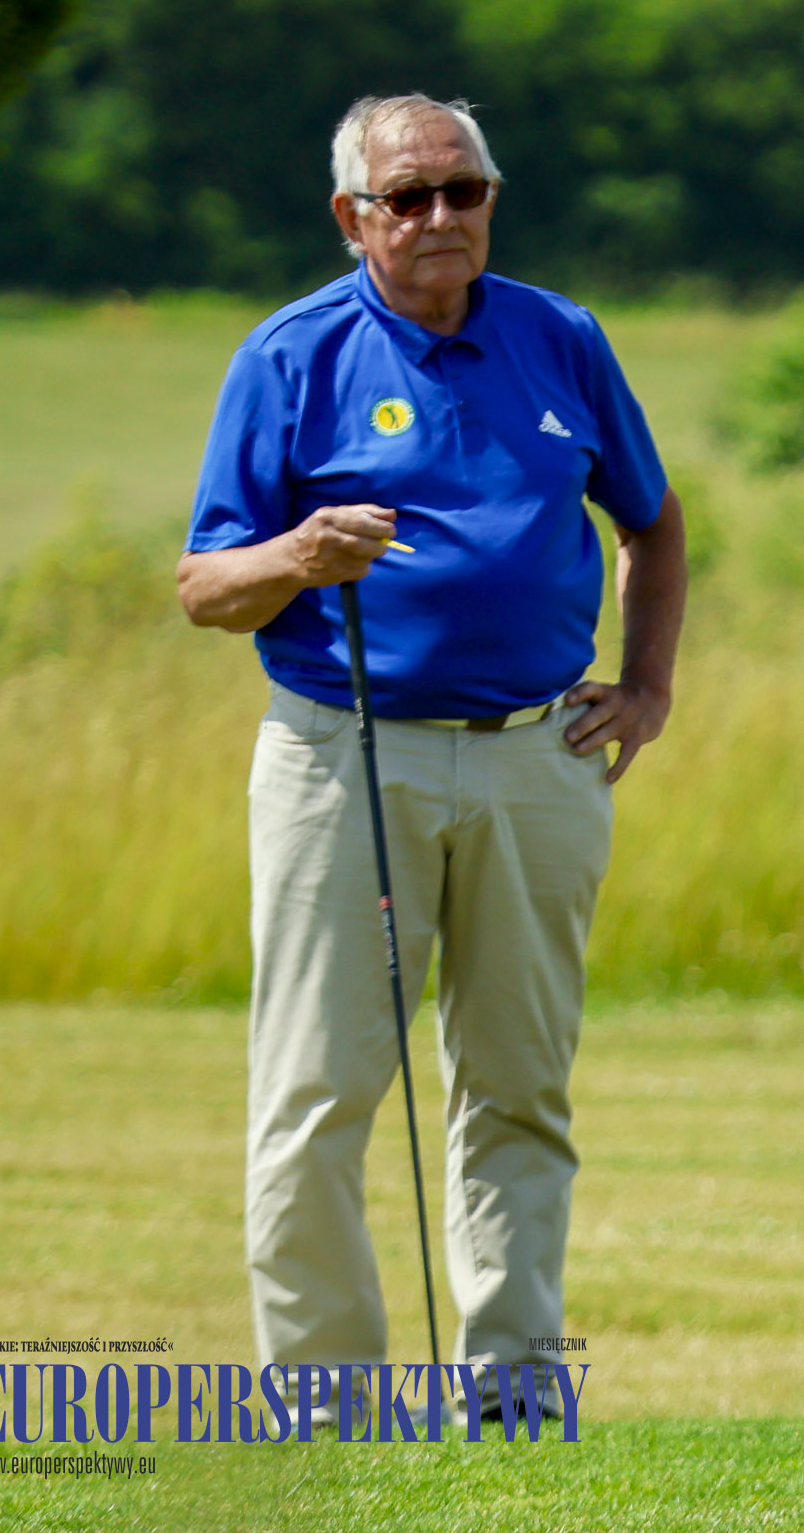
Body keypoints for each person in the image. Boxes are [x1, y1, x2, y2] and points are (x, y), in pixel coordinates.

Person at [176, 96, 685, 1428]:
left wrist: (645, 685)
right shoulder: (290, 357)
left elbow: (652, 519)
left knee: (520, 1085)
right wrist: (299, 556)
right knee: (318, 1093)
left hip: (536, 756)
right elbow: (203, 586)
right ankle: (331, 1408)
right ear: (354, 219)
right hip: (345, 759)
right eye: (410, 199)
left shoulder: (558, 338)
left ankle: (514, 1393)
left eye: (465, 190)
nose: (443, 217)